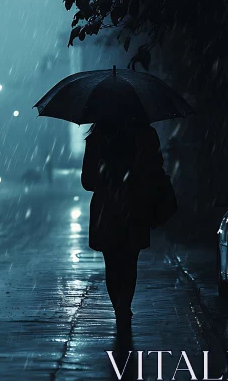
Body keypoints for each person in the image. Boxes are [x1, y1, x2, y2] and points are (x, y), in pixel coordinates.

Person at [81, 122, 165, 325]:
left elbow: (87, 181)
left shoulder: (96, 137)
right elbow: (156, 168)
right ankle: (124, 305)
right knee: (130, 261)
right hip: (135, 205)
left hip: (106, 209)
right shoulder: (145, 134)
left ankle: (119, 307)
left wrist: (106, 179)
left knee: (112, 263)